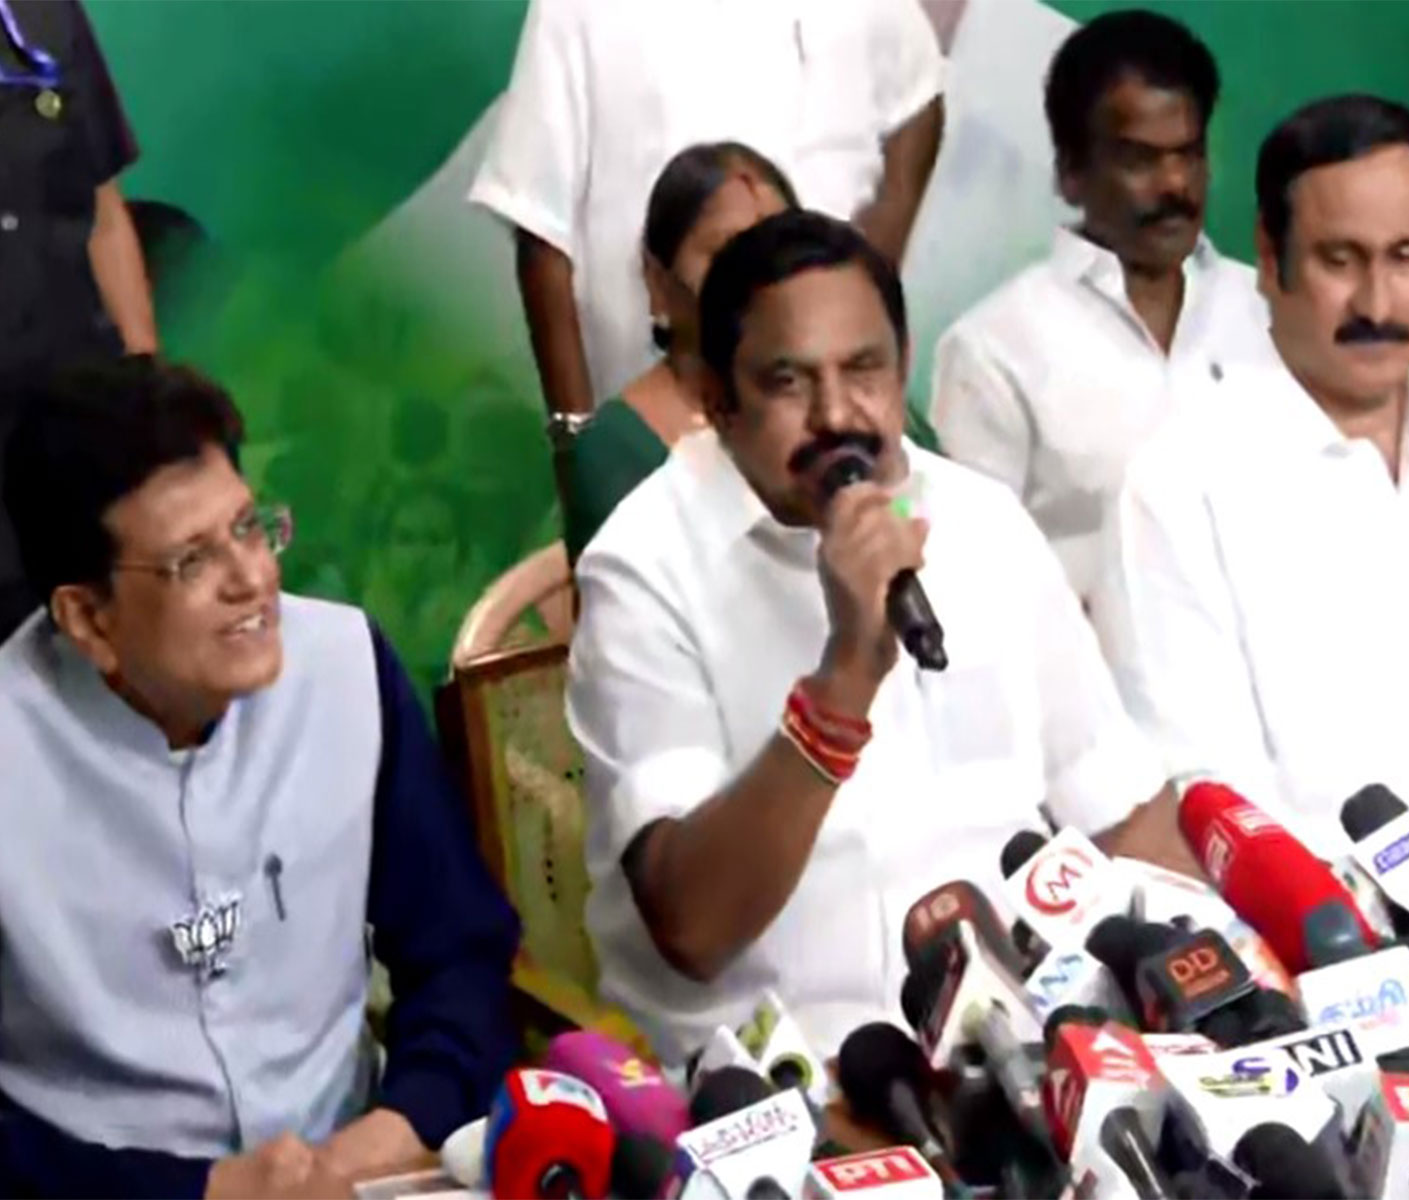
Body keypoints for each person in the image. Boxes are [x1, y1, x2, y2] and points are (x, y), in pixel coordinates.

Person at [566, 209, 1184, 1062]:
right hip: (782, 1087)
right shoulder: (643, 572)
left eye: (864, 371)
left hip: (1020, 1055)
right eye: (788, 382)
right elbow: (694, 927)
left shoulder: (983, 524)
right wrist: (848, 672)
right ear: (717, 401)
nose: (835, 415)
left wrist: (1213, 992)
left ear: (901, 371)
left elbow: (1125, 815)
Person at [0, 359, 520, 1197]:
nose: (252, 579)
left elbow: (460, 951)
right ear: (87, 618)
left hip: (365, 1170)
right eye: (193, 561)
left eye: (249, 527)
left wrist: (395, 1131)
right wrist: (206, 1191)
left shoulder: (346, 667)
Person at [1097, 95, 1409, 857]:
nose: (1377, 303)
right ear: (1270, 258)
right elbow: (1209, 795)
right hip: (1342, 924)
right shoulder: (1181, 485)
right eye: (1340, 260)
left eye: (1406, 256)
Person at [468, 0, 945, 456]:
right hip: (657, 424)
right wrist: (575, 441)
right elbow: (540, 233)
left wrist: (868, 274)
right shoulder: (577, 9)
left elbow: (918, 96)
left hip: (823, 402)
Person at [929, 10, 1270, 608]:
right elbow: (978, 579)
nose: (1175, 185)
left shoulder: (1269, 312)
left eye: (1188, 154)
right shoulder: (993, 349)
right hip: (1092, 665)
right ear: (1071, 173)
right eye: (1140, 159)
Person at [0, 0, 158, 641]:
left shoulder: (46, 14)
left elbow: (104, 213)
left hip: (72, 416)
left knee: (97, 638)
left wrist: (146, 383)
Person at [562, 141, 797, 564]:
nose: (760, 276)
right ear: (658, 280)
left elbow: (916, 506)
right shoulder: (618, 453)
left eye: (781, 247)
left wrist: (895, 517)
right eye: (727, 253)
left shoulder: (848, 399)